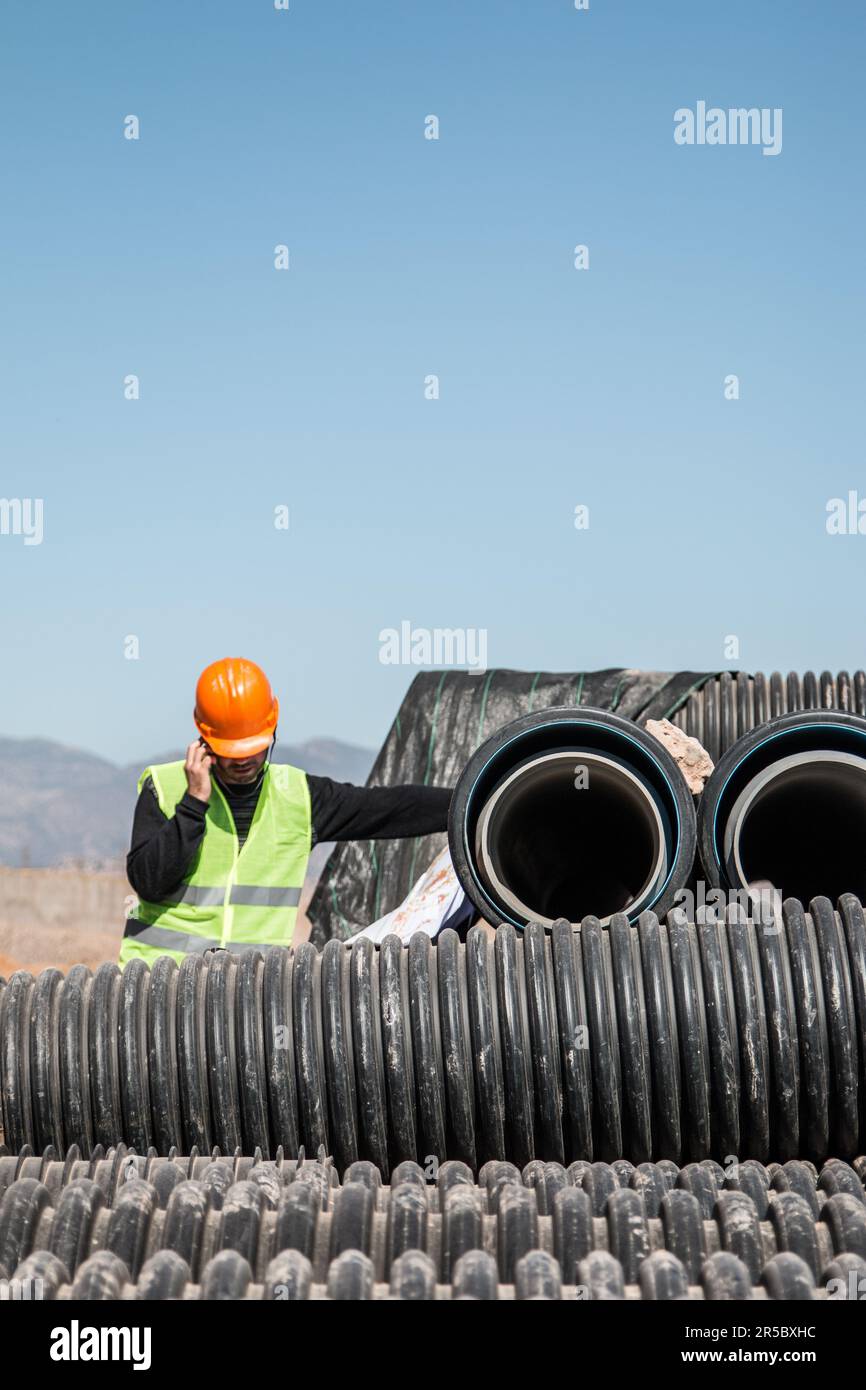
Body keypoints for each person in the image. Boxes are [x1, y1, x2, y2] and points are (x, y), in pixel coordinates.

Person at [121, 657, 451, 965]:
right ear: (204, 737)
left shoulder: (298, 798)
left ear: (272, 729)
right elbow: (149, 883)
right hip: (159, 987)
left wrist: (470, 801)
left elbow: (390, 808)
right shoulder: (165, 787)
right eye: (232, 752)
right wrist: (193, 805)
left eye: (254, 748)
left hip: (249, 990)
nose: (244, 761)